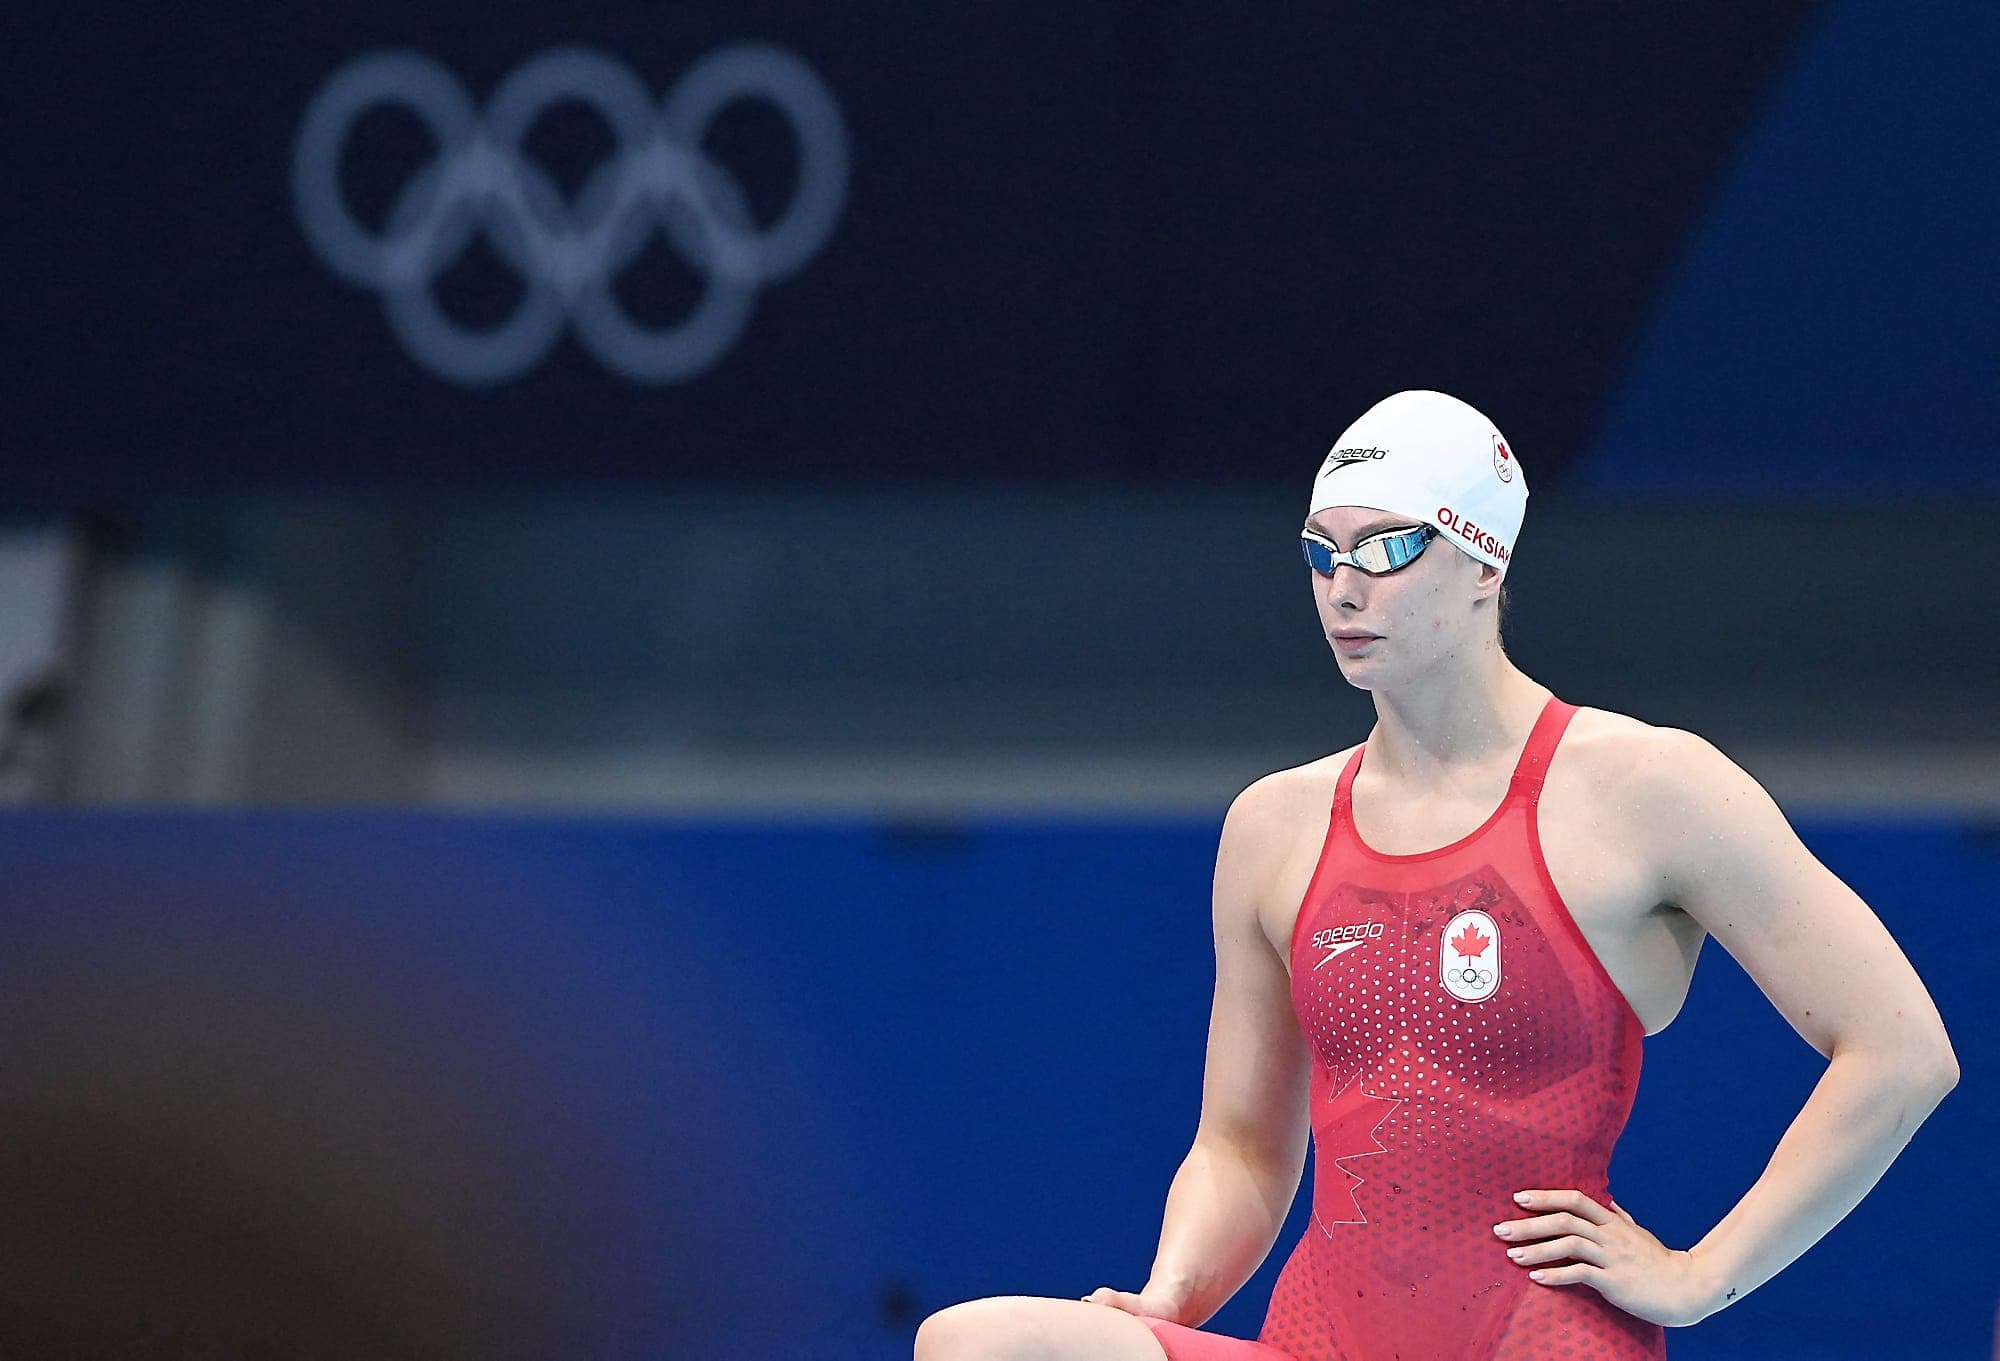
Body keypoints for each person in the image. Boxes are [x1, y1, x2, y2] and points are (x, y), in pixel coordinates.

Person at [912, 390, 1959, 1360]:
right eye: (1322, 550)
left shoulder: (1646, 785)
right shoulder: (1273, 825)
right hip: (1318, 1333)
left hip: (1535, 1339)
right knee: (975, 1342)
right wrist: (1168, 1296)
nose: (1344, 584)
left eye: (1389, 545)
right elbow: (1238, 1143)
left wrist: (1700, 1277)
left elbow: (1900, 1051)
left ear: (1484, 561)